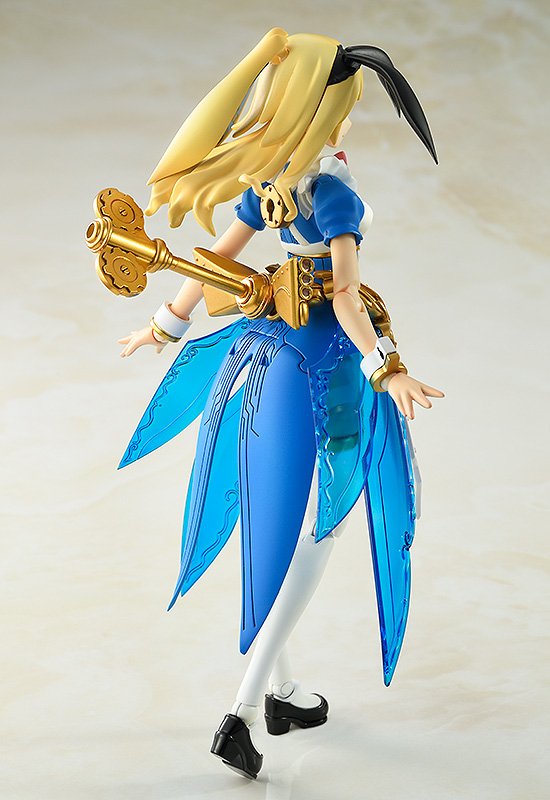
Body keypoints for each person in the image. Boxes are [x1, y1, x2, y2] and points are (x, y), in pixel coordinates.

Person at [118, 29, 444, 779]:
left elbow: (214, 261)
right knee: (324, 526)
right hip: (327, 361)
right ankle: (240, 709)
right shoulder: (331, 194)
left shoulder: (271, 189)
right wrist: (388, 367)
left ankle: (283, 695)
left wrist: (165, 325)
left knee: (273, 510)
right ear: (327, 115)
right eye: (345, 106)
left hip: (267, 347)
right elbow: (346, 298)